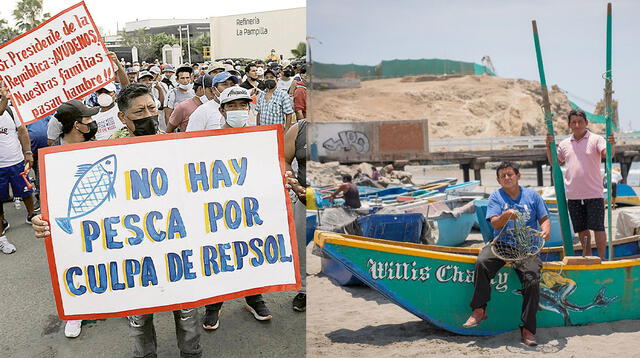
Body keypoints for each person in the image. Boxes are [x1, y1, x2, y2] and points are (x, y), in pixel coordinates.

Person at [462, 161, 550, 346]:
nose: (507, 177)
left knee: (532, 279)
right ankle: (479, 309)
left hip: (527, 248)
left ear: (518, 176)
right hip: (502, 245)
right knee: (482, 262)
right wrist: (505, 216)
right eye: (503, 176)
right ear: (498, 180)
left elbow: (544, 218)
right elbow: (494, 223)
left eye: (510, 174)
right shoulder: (496, 197)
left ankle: (527, 329)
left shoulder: (532, 195)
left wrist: (546, 230)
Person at [46, 99, 100, 338]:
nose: (92, 122)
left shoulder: (98, 147)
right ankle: (75, 313)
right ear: (77, 125)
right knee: (74, 264)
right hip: (71, 223)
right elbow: (48, 197)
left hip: (100, 220)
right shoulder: (53, 157)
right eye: (88, 119)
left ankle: (115, 301)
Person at [545, 109, 616, 259]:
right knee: (581, 229)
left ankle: (602, 258)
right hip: (573, 194)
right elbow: (554, 162)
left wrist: (611, 145)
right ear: (569, 124)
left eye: (580, 122)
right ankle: (588, 256)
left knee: (598, 228)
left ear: (586, 123)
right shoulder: (564, 144)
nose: (577, 125)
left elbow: (607, 154)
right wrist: (548, 146)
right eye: (573, 122)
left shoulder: (596, 139)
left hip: (594, 192)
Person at [0, 80, 37, 253]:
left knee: (25, 191)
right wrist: (5, 98)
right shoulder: (4, 107)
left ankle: (31, 214)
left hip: (15, 162)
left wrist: (28, 153)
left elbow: (22, 131)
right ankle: (2, 234)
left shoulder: (11, 111)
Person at [284, 119, 308, 312]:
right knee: (301, 248)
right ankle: (305, 292)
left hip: (340, 203)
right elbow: (284, 160)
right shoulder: (298, 129)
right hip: (305, 200)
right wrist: (296, 187)